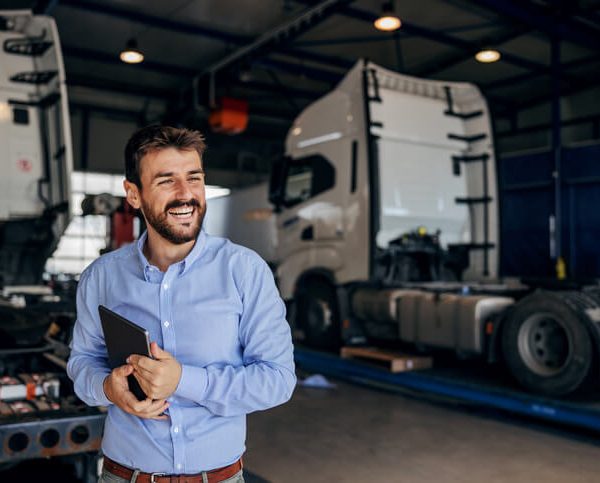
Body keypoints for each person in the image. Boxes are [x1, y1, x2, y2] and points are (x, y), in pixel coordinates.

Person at [67, 125, 296, 483]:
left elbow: (278, 380)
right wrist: (107, 387)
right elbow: (82, 363)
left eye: (194, 178)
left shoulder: (245, 271)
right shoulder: (102, 277)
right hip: (125, 475)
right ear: (133, 194)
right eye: (166, 181)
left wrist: (184, 381)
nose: (186, 194)